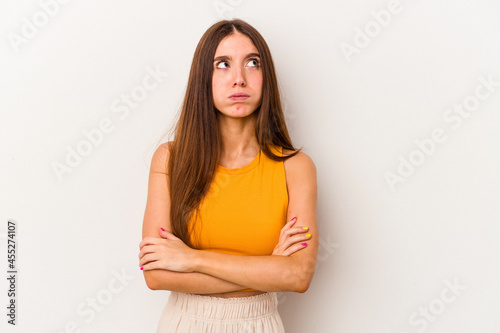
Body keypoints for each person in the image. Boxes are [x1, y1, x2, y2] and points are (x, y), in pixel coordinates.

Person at [138, 18, 319, 332]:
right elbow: (156, 274)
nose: (239, 79)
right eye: (222, 64)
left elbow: (297, 277)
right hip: (185, 323)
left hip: (259, 324)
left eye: (252, 63)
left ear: (266, 77)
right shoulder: (170, 159)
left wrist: (191, 259)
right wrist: (267, 270)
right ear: (203, 78)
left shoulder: (296, 167)